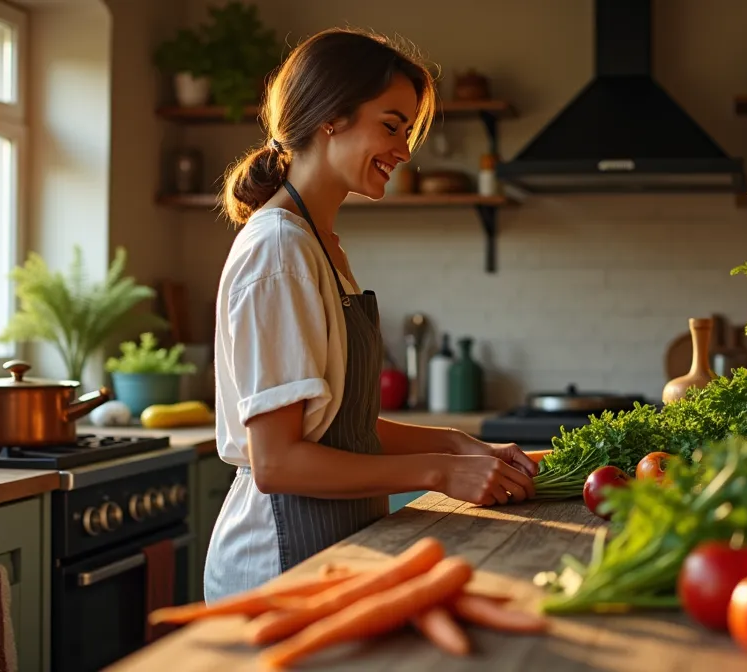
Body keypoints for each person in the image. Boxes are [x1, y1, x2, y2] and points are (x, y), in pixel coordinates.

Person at [203, 28, 538, 602]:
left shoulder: (318, 245)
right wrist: (437, 473)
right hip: (276, 566)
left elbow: (337, 429)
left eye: (407, 131)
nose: (405, 150)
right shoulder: (279, 250)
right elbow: (279, 463)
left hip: (333, 551)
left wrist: (457, 445)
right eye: (390, 125)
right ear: (330, 117)